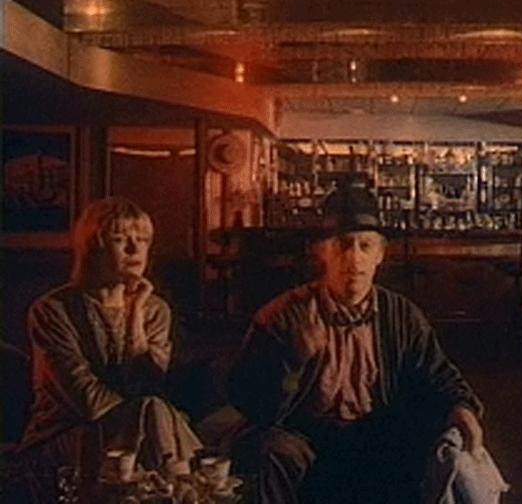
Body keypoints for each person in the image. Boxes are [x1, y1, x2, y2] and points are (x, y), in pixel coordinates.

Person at [229, 182, 485, 503]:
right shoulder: (282, 316)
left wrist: (462, 407)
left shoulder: (401, 315)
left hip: (375, 435)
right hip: (304, 437)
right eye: (343, 245)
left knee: (423, 443)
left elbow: (438, 375)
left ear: (380, 255)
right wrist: (292, 359)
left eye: (365, 246)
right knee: (268, 450)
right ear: (321, 252)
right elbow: (249, 402)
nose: (354, 259)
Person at [19, 197, 203, 479]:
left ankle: (177, 488)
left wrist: (135, 316)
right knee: (155, 412)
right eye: (120, 239)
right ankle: (186, 486)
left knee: (154, 409)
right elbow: (88, 401)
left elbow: (149, 386)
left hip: (143, 430)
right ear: (94, 248)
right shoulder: (52, 310)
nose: (134, 249)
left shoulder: (154, 310)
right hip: (67, 434)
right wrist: (145, 415)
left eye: (142, 240)